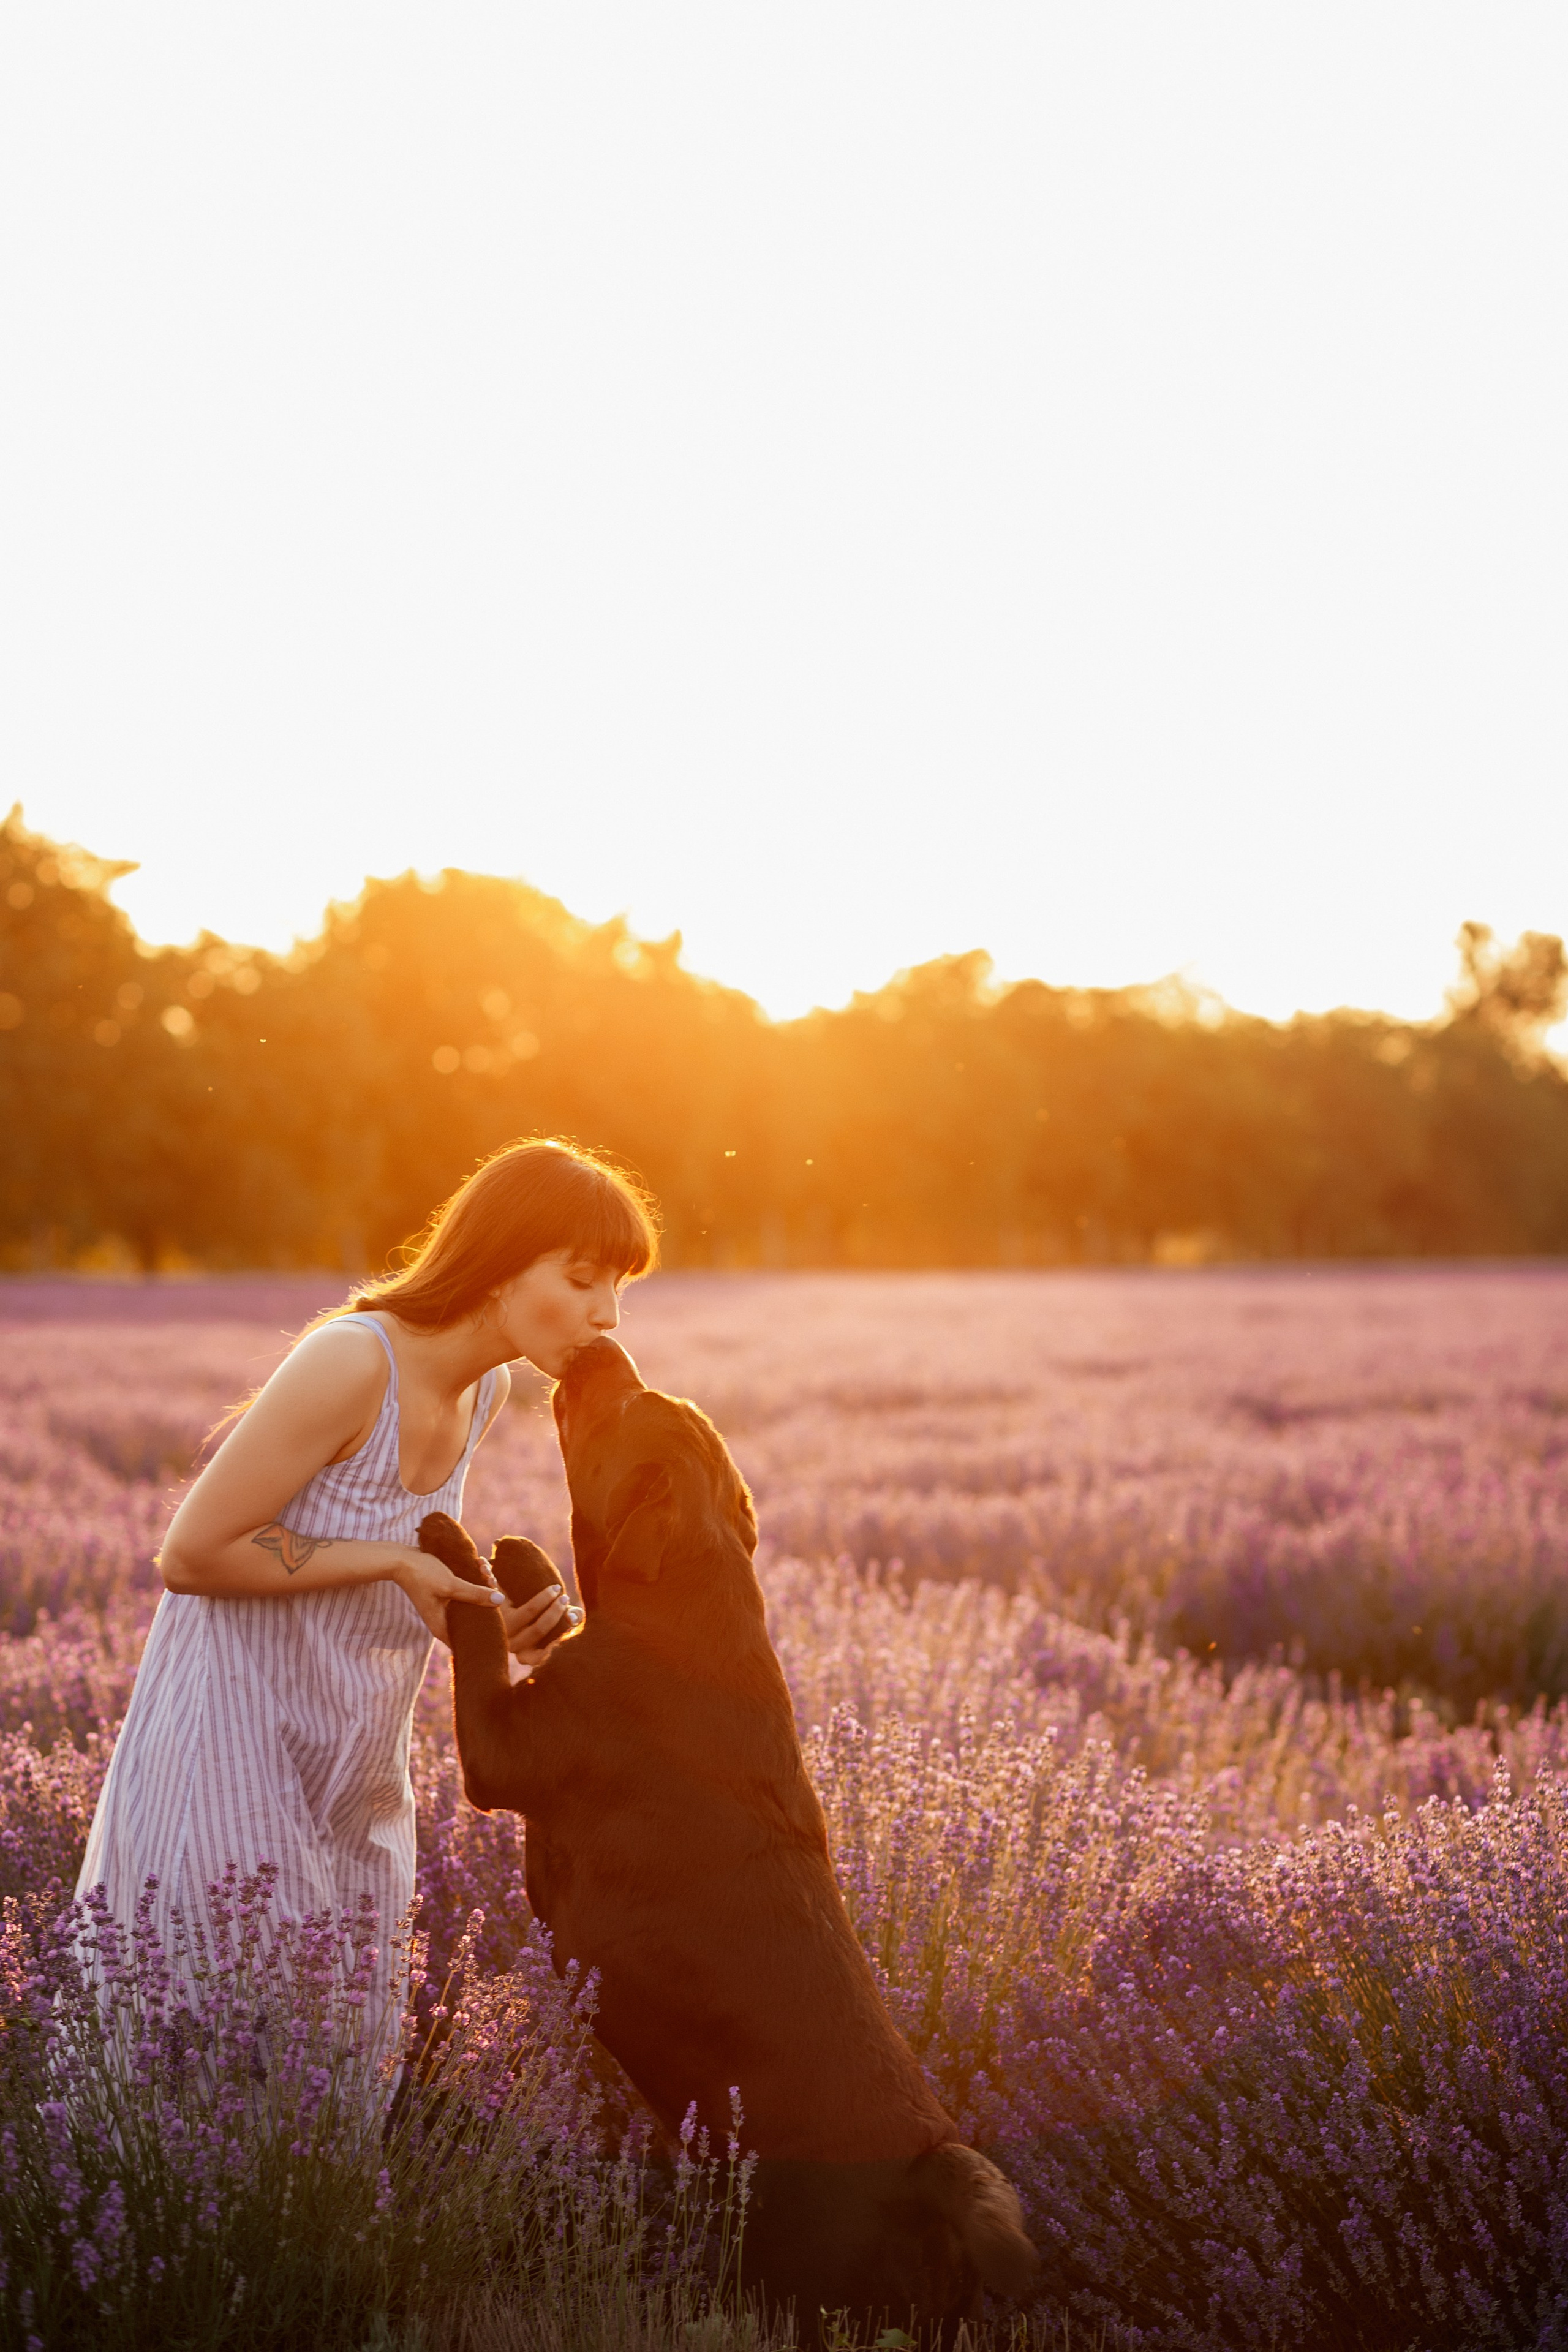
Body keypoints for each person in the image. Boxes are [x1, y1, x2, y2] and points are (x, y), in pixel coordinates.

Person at [75, 1137, 658, 2057]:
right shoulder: (356, 1360)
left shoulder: (487, 1391)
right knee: (194, 2057)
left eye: (619, 1287)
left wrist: (486, 1625)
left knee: (333, 2067)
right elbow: (194, 1552)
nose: (609, 1314)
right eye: (585, 1279)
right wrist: (394, 1566)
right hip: (230, 1749)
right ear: (503, 1262)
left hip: (353, 1770)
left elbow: (399, 1572)